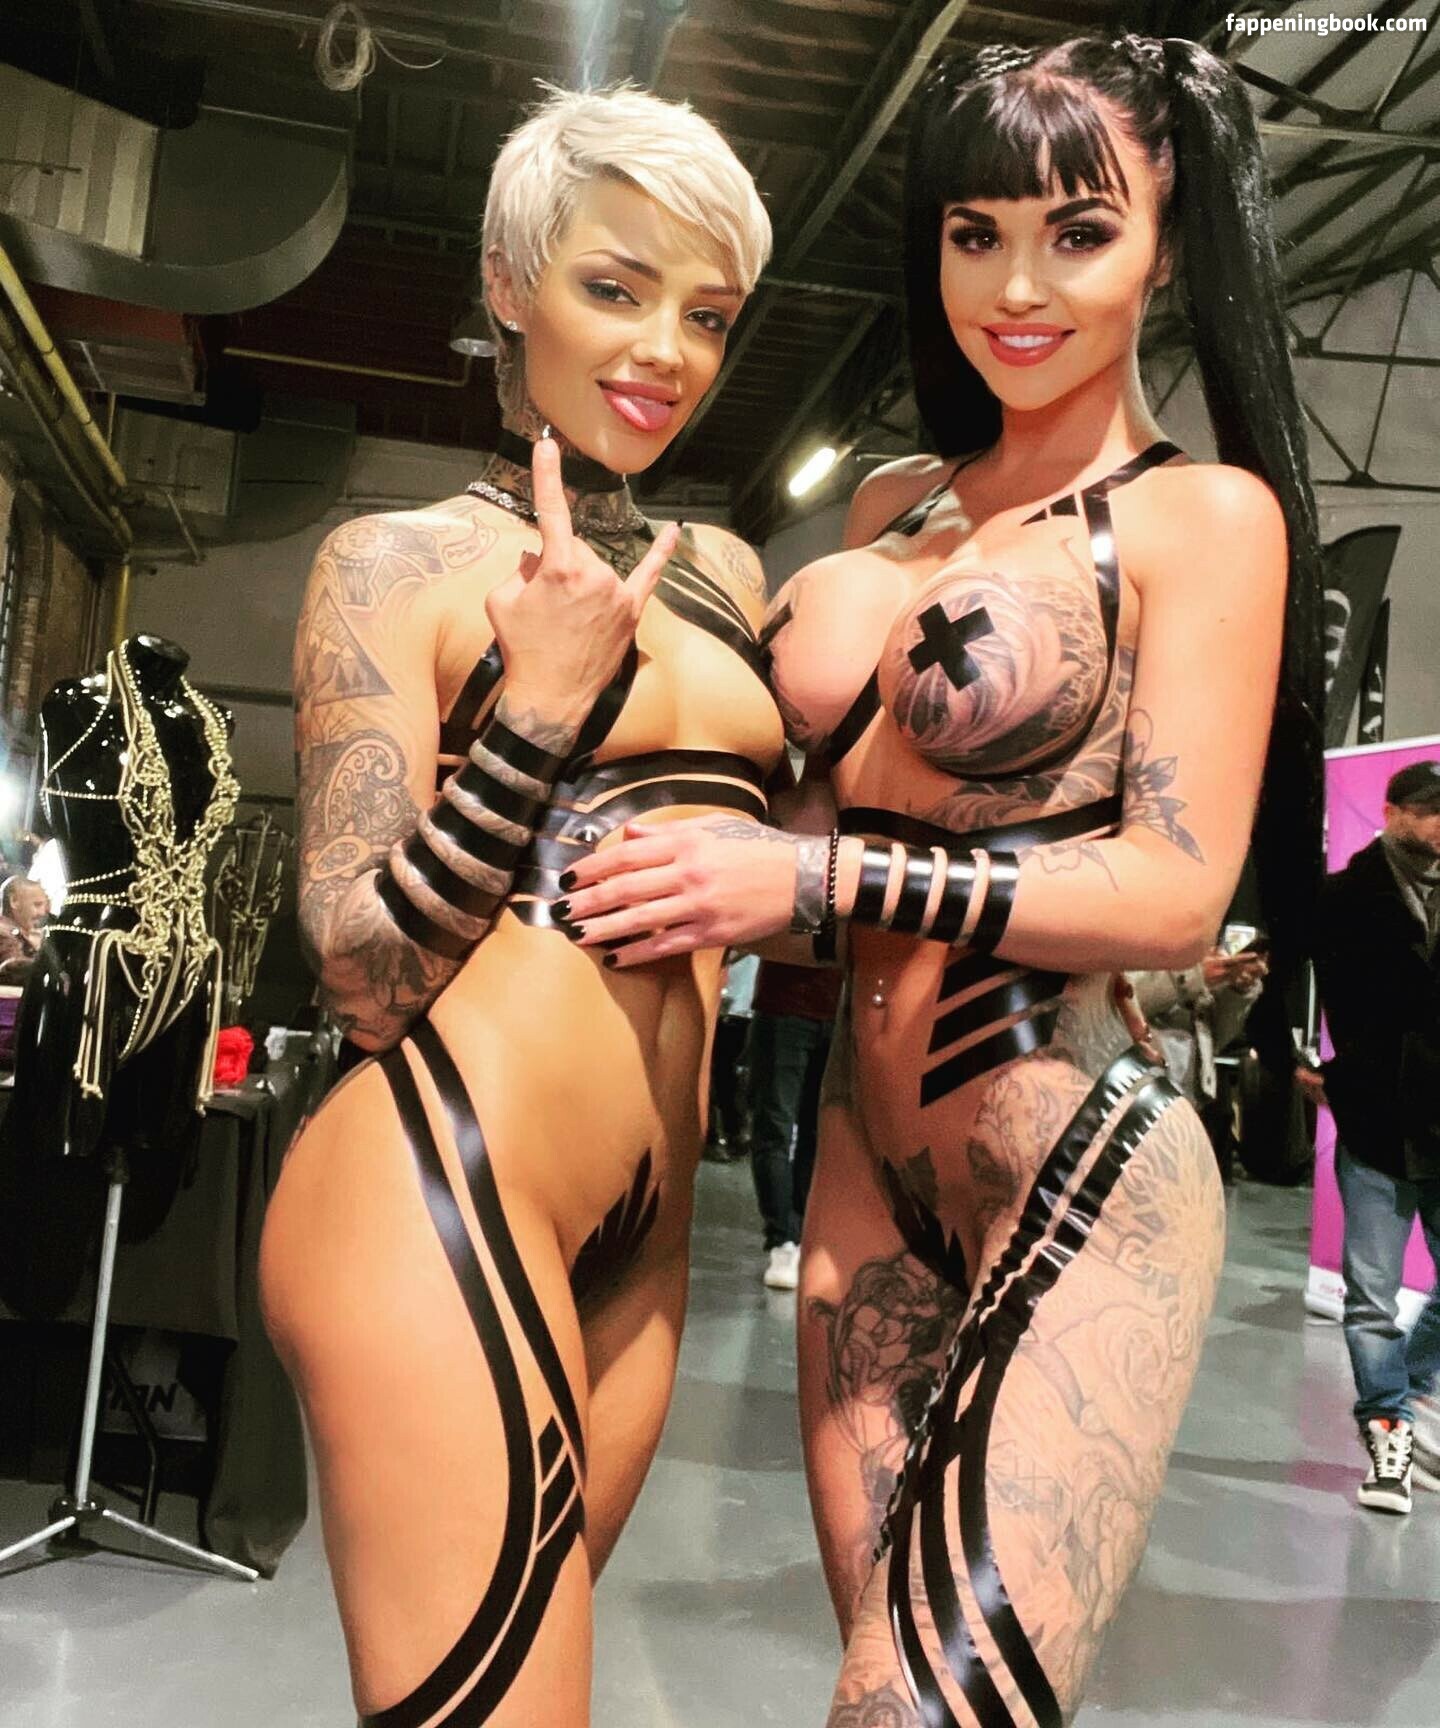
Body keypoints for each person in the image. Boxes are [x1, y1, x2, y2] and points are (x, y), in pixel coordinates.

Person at [558, 35, 1323, 1725]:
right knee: (879, 1676)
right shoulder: (892, 506)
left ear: (1168, 248)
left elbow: (1173, 894)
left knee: (907, 1706)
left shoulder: (1204, 518)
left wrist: (811, 880)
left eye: (1079, 232)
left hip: (1075, 1168)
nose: (1018, 287)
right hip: (862, 1179)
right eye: (977, 234)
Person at [259, 87, 778, 1726]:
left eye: (708, 315)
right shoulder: (392, 563)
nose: (665, 352)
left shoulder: (733, 578)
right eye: (615, 288)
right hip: (438, 1187)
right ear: (507, 283)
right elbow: (358, 970)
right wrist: (536, 712)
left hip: (646, 1248)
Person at [1311, 759, 1440, 1515]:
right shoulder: (1342, 898)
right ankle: (1389, 1434)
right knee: (1371, 1300)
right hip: (1375, 1121)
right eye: (1432, 809)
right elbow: (1301, 987)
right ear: (1393, 812)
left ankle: (1408, 1392)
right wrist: (1308, 1063)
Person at [1128, 941, 1268, 1175]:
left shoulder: (1201, 941)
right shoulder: (1135, 934)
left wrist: (1235, 989)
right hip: (1133, 1094)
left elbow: (1216, 1037)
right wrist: (1193, 976)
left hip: (1190, 1098)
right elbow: (1118, 999)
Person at [747, 957, 842, 1289]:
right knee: (776, 1127)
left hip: (834, 1011)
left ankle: (799, 1236)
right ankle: (783, 1240)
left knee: (815, 1130)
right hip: (785, 1006)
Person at [0, 876, 49, 983]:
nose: (42, 913)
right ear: (14, 901)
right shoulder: (3, 933)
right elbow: (14, 968)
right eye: (37, 905)